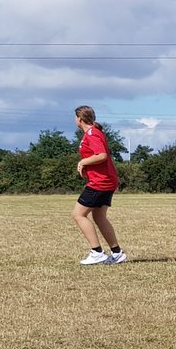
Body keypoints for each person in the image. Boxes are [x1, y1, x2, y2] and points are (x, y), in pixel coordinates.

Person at [72, 105, 126, 265]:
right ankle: (117, 253)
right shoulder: (93, 132)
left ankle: (97, 252)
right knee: (99, 216)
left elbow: (101, 155)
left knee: (78, 215)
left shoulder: (92, 133)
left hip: (100, 182)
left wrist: (83, 161)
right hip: (105, 181)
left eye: (75, 118)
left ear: (79, 119)